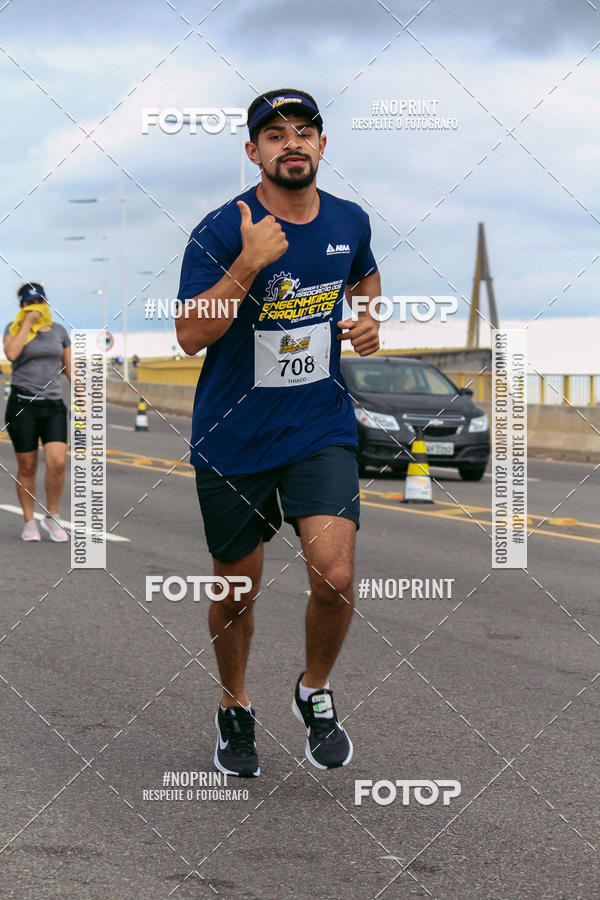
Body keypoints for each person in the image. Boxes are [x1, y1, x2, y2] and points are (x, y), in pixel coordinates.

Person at [176, 89, 381, 777]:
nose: (290, 142)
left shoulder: (350, 220)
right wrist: (248, 263)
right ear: (252, 151)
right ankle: (234, 705)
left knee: (337, 574)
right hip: (235, 438)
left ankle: (314, 690)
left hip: (319, 424)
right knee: (237, 593)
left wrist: (369, 320)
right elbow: (190, 334)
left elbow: (366, 274)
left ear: (322, 145)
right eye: (274, 134)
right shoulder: (221, 228)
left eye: (304, 131)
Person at [3, 282, 70, 542]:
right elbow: (11, 353)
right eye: (30, 303)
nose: (36, 307)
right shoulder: (13, 329)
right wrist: (27, 325)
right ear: (21, 306)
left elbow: (68, 366)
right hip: (22, 406)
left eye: (39, 302)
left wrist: (82, 391)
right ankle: (29, 521)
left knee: (57, 462)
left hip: (53, 405)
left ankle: (51, 517)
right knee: (27, 466)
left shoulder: (59, 331)